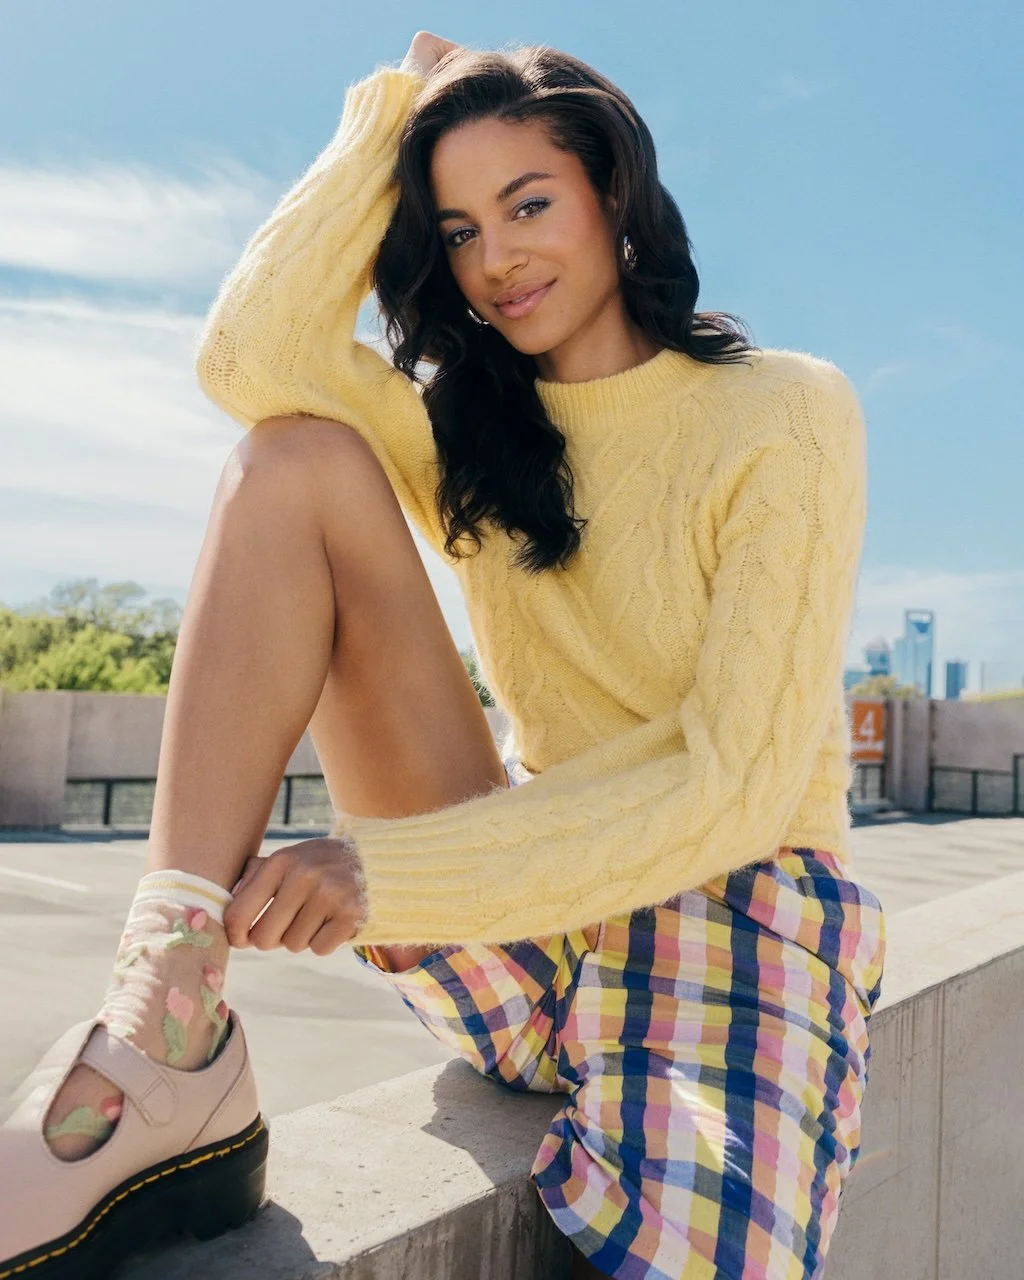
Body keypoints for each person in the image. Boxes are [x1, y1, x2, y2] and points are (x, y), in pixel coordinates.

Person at [0, 29, 887, 1280]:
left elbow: (731, 784)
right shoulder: (472, 430)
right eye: (458, 230)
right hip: (533, 916)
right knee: (293, 457)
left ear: (613, 194)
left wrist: (384, 872)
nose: (497, 257)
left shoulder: (784, 411)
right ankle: (167, 1005)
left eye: (528, 203)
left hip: (733, 901)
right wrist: (384, 125)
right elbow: (248, 357)